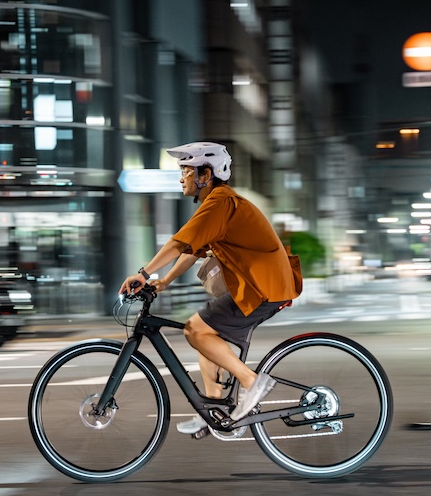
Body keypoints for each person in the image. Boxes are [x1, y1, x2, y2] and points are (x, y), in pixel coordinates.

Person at [119, 141, 301, 435]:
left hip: (264, 288)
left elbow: (179, 242)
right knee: (205, 332)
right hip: (261, 287)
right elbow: (193, 249)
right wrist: (163, 281)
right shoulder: (218, 203)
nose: (182, 177)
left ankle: (253, 382)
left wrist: (144, 273)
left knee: (195, 329)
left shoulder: (220, 202)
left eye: (186, 171)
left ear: (205, 174)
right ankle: (215, 409)